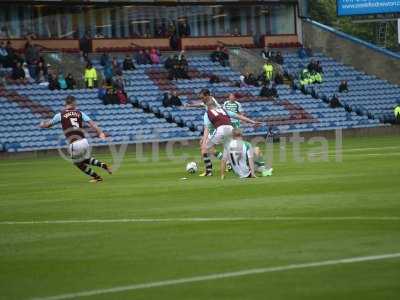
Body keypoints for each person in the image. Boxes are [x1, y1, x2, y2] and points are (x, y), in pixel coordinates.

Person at [39, 95, 112, 183]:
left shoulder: (60, 115)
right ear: (73, 103)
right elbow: (92, 123)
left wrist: (42, 124)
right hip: (84, 141)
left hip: (74, 143)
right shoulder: (80, 113)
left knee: (77, 163)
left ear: (65, 103)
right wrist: (100, 133)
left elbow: (48, 125)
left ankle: (97, 177)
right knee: (84, 159)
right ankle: (103, 165)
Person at [199, 89, 261, 176]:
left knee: (204, 148)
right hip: (230, 129)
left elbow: (206, 129)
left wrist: (204, 143)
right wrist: (253, 122)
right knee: (234, 149)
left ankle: (209, 171)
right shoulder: (223, 110)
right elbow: (239, 116)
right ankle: (253, 158)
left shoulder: (207, 113)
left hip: (221, 130)